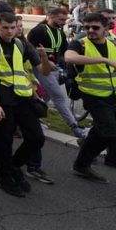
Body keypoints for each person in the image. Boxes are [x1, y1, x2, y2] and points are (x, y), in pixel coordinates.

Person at [65, 13, 116, 210]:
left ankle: (81, 165)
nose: (90, 30)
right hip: (95, 100)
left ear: (106, 29)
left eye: (95, 27)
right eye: (87, 27)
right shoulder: (80, 44)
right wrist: (102, 60)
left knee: (102, 132)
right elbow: (69, 57)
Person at [0, 12, 50, 196]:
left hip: (22, 97)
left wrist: (43, 56)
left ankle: (13, 167)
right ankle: (5, 178)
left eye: (13, 28)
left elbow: (43, 70)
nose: (10, 31)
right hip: (2, 99)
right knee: (4, 142)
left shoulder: (21, 45)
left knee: (37, 138)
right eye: (5, 28)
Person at [26, 7, 85, 137]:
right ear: (50, 16)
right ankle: (75, 127)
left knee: (46, 96)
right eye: (61, 19)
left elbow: (64, 51)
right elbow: (28, 50)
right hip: (40, 68)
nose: (64, 22)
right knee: (58, 97)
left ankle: (29, 118)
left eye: (65, 19)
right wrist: (44, 60)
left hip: (55, 70)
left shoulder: (60, 33)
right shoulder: (38, 31)